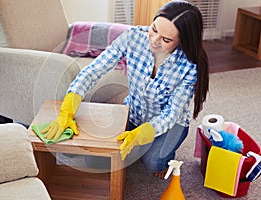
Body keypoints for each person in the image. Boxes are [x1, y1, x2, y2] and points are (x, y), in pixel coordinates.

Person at [41, 0, 209, 178]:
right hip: (134, 112)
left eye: (166, 39)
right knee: (95, 160)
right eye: (154, 29)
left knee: (154, 163)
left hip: (169, 124)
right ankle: (141, 146)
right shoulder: (133, 37)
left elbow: (171, 114)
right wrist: (68, 108)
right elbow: (94, 70)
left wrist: (141, 135)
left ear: (182, 41)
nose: (154, 40)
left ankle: (164, 153)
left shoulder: (190, 67)